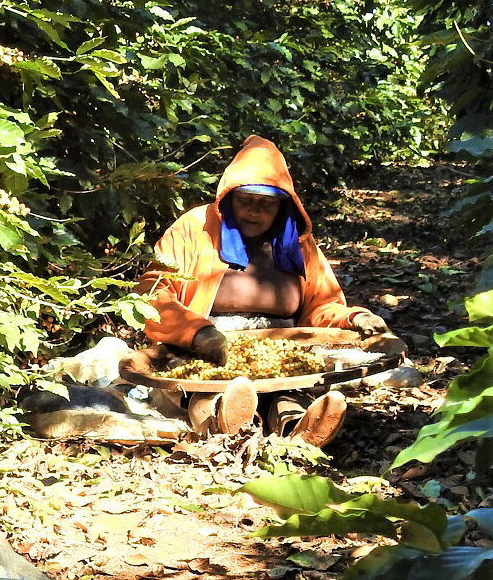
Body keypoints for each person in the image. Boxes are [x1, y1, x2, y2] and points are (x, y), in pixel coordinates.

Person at [137, 135, 389, 445]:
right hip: (200, 354)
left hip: (282, 356)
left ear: (283, 206)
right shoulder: (194, 228)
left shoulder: (296, 243)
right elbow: (152, 296)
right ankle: (224, 419)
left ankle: (297, 427)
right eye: (246, 201)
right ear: (229, 199)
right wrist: (199, 335)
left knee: (286, 394)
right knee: (213, 394)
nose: (254, 212)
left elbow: (322, 306)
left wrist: (354, 318)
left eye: (266, 204)